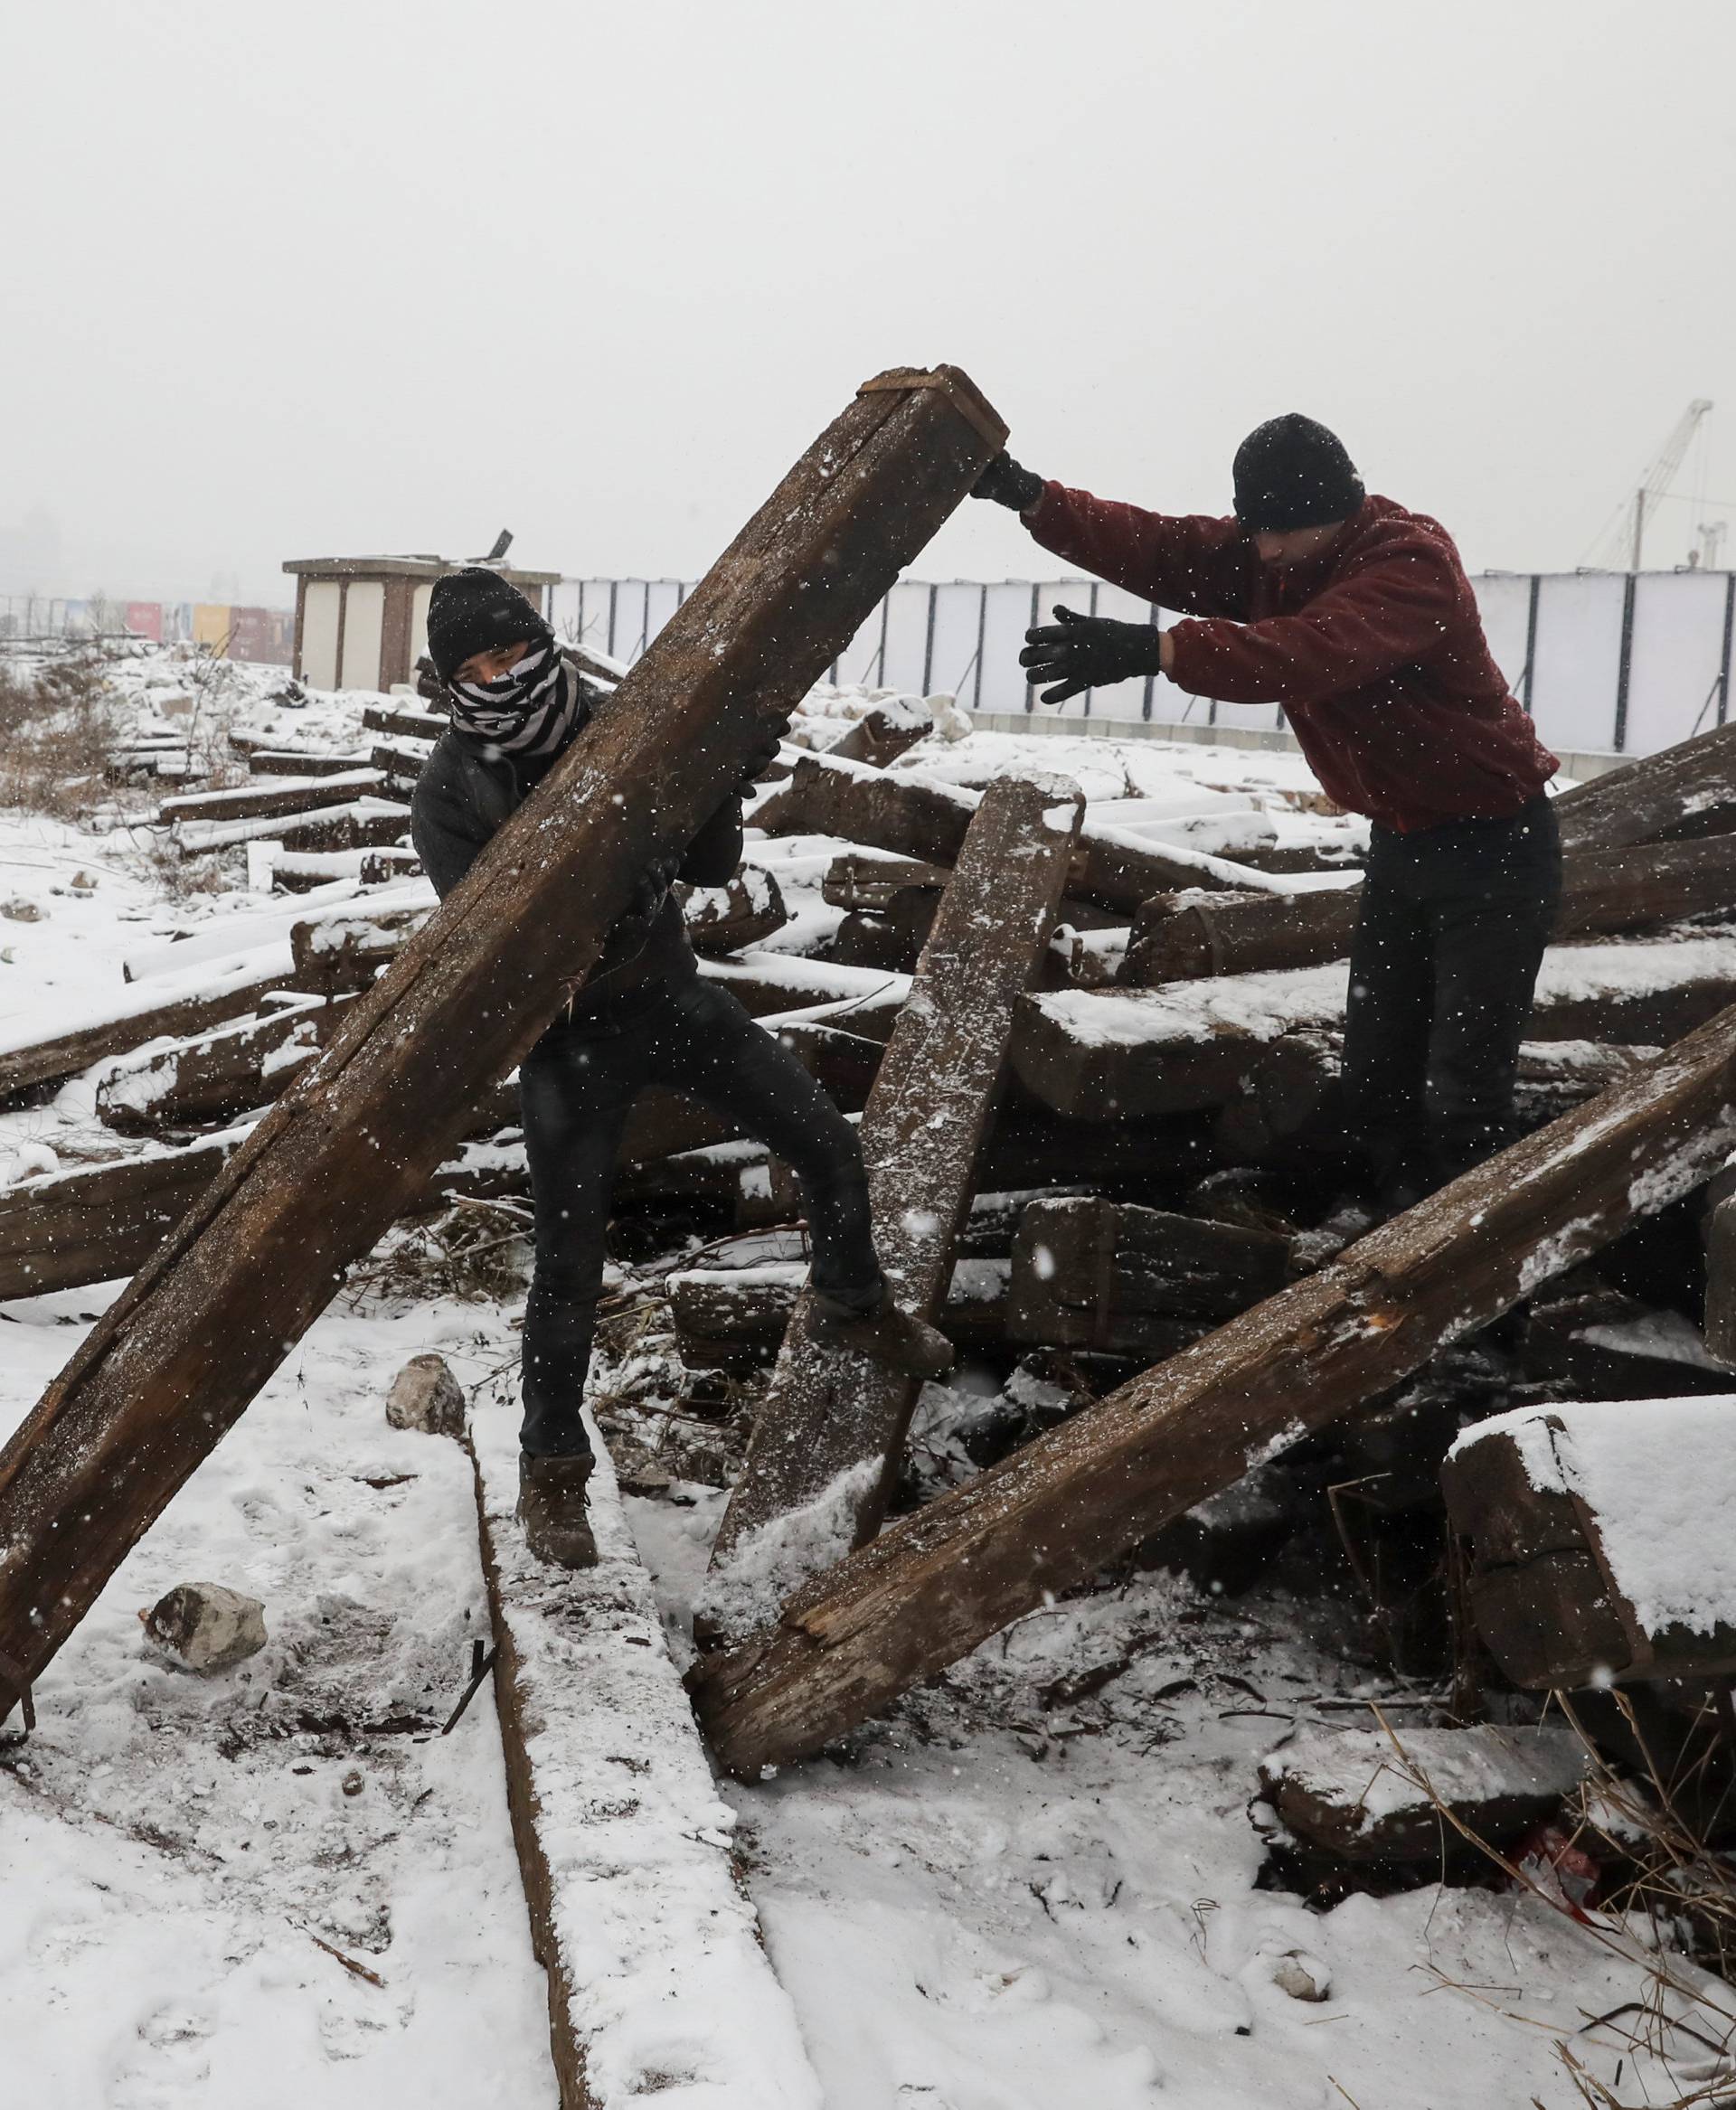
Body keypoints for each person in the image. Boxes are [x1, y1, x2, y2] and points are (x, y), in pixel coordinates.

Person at [410, 569, 949, 1569]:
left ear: (541, 642)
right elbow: (504, 945)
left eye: (513, 652)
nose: (501, 675)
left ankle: (852, 1303)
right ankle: (552, 1469)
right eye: (477, 667)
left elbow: (704, 867)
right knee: (570, 1265)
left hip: (669, 998)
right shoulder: (450, 789)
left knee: (827, 1143)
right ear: (453, 682)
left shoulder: (621, 724)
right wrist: (624, 856)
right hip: (566, 1038)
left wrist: (716, 785)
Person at [974, 414, 1561, 1212]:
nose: (1268, 550)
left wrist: (1157, 652)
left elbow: (1310, 650)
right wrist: (1032, 498)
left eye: (1285, 530)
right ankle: (1372, 1230)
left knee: (1465, 1091)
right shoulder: (1277, 556)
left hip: (1496, 850)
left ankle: (1467, 1284)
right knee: (1375, 1071)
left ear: (1340, 509)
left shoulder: (1410, 565)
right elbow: (1164, 546)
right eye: (1257, 529)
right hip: (1402, 846)